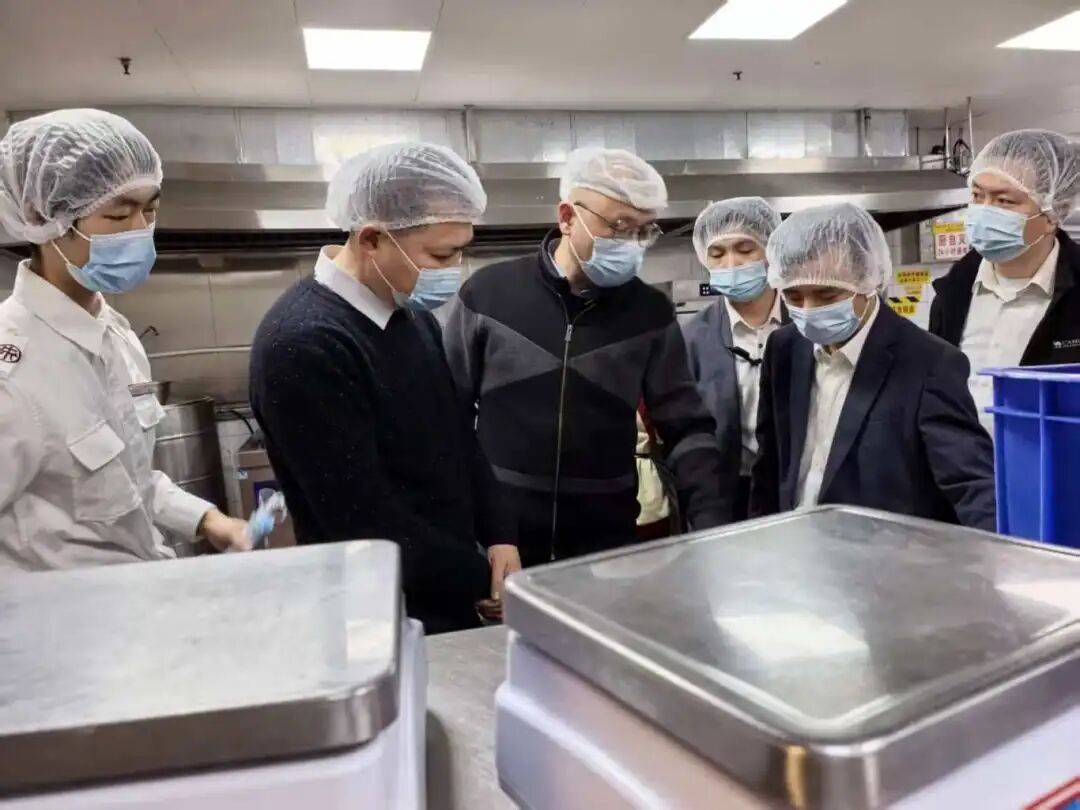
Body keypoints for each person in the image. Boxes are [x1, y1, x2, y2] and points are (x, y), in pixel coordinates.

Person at [249, 142, 519, 634]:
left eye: (461, 250)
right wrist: (481, 578)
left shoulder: (411, 315)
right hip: (376, 612)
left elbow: (458, 437)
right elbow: (362, 520)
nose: (455, 268)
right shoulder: (304, 344)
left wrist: (499, 533)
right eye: (441, 254)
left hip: (446, 593)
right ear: (372, 238)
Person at [443, 147, 727, 567]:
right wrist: (461, 532)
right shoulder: (488, 295)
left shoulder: (650, 314)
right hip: (502, 541)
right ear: (567, 216)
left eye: (644, 231)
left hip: (605, 544)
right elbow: (446, 419)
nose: (632, 244)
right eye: (619, 226)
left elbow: (686, 429)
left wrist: (710, 527)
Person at [0, 108, 250, 571]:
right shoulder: (13, 373)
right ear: (40, 216)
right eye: (118, 213)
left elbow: (128, 480)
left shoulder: (116, 333)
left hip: (138, 591)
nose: (140, 231)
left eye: (149, 210)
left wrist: (210, 520)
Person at [749, 202, 996, 530]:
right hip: (797, 543)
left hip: (886, 551)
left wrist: (1004, 548)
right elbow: (769, 464)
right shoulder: (784, 348)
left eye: (827, 295)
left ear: (868, 281)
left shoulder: (929, 363)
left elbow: (969, 481)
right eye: (794, 296)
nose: (808, 310)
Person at [929, 129, 1080, 434]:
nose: (984, 211)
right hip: (962, 464)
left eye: (1004, 201)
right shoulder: (952, 292)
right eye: (977, 196)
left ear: (1053, 213)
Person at [683, 197, 787, 522]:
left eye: (745, 249)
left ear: (771, 251)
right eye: (717, 254)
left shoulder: (806, 325)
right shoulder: (692, 339)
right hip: (724, 498)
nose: (732, 263)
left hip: (792, 488)